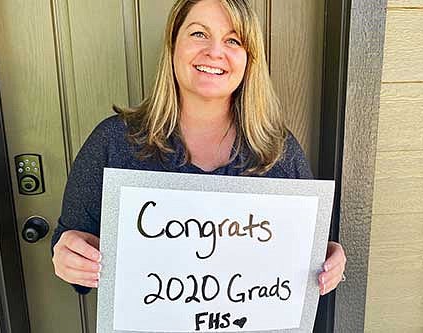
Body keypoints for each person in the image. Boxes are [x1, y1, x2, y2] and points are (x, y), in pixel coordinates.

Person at [51, 0, 346, 297]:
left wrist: (327, 259)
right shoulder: (114, 141)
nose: (215, 52)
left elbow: (307, 252)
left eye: (233, 40)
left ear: (249, 59)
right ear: (173, 45)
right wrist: (70, 257)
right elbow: (72, 238)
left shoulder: (277, 150)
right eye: (199, 34)